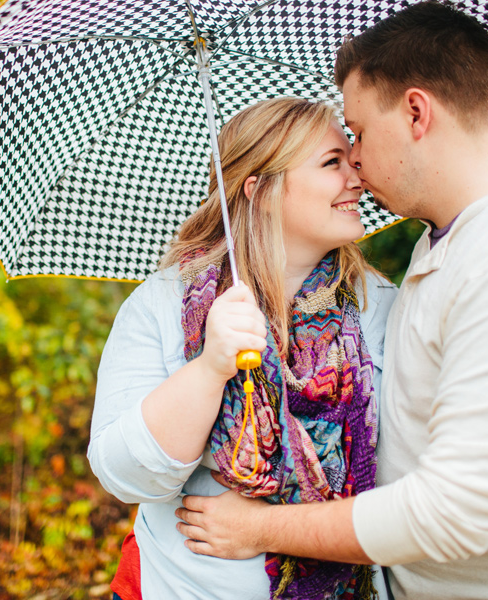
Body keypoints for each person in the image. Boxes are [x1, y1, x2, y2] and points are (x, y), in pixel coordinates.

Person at [175, 3, 488, 599]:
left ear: (415, 112)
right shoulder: (455, 238)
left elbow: (450, 513)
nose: (354, 158)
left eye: (357, 132)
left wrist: (260, 527)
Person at [87, 97, 397, 599]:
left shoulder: (378, 307)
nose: (356, 176)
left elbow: (410, 486)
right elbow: (126, 475)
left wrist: (266, 528)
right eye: (331, 163)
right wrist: (210, 367)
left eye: (350, 157)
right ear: (262, 189)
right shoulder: (163, 304)